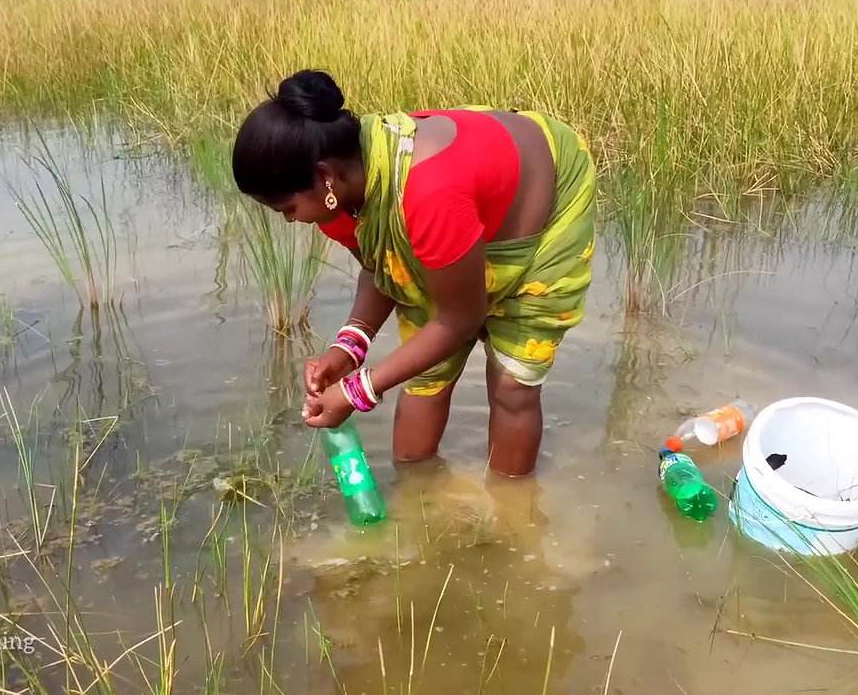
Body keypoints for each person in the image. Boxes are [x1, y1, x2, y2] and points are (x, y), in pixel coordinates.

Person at [230, 69, 597, 478]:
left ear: (324, 176)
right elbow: (382, 267)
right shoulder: (339, 196)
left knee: (513, 386)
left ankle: (509, 519)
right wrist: (348, 348)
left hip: (543, 204)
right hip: (463, 199)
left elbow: (461, 318)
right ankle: (416, 504)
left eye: (288, 209)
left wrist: (358, 391)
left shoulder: (429, 192)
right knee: (425, 374)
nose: (289, 221)